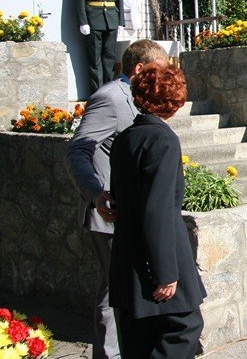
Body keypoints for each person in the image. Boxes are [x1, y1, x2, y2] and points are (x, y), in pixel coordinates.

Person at [66, 39, 168, 359]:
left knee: (124, 289)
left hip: (133, 214)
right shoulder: (109, 98)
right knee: (113, 291)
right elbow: (78, 149)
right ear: (139, 69)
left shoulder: (138, 99)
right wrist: (95, 194)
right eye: (158, 72)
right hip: (110, 214)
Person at [109, 63, 206, 358]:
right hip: (156, 259)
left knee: (138, 337)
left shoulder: (126, 137)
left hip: (128, 252)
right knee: (183, 329)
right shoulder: (162, 139)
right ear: (175, 100)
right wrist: (165, 273)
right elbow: (158, 209)